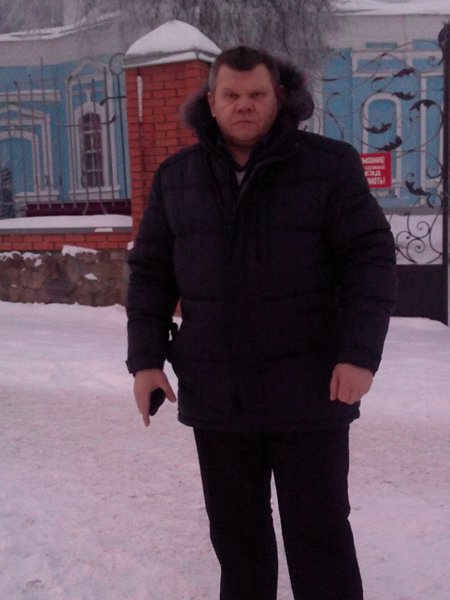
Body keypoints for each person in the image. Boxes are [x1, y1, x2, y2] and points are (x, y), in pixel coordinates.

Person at [126, 46, 397, 600]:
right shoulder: (178, 177)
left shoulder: (329, 165)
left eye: (256, 94)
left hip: (312, 390)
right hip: (218, 394)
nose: (243, 105)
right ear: (212, 101)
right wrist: (146, 361)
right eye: (231, 94)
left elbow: (369, 261)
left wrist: (359, 354)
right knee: (238, 541)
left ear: (280, 97)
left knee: (320, 538)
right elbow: (151, 273)